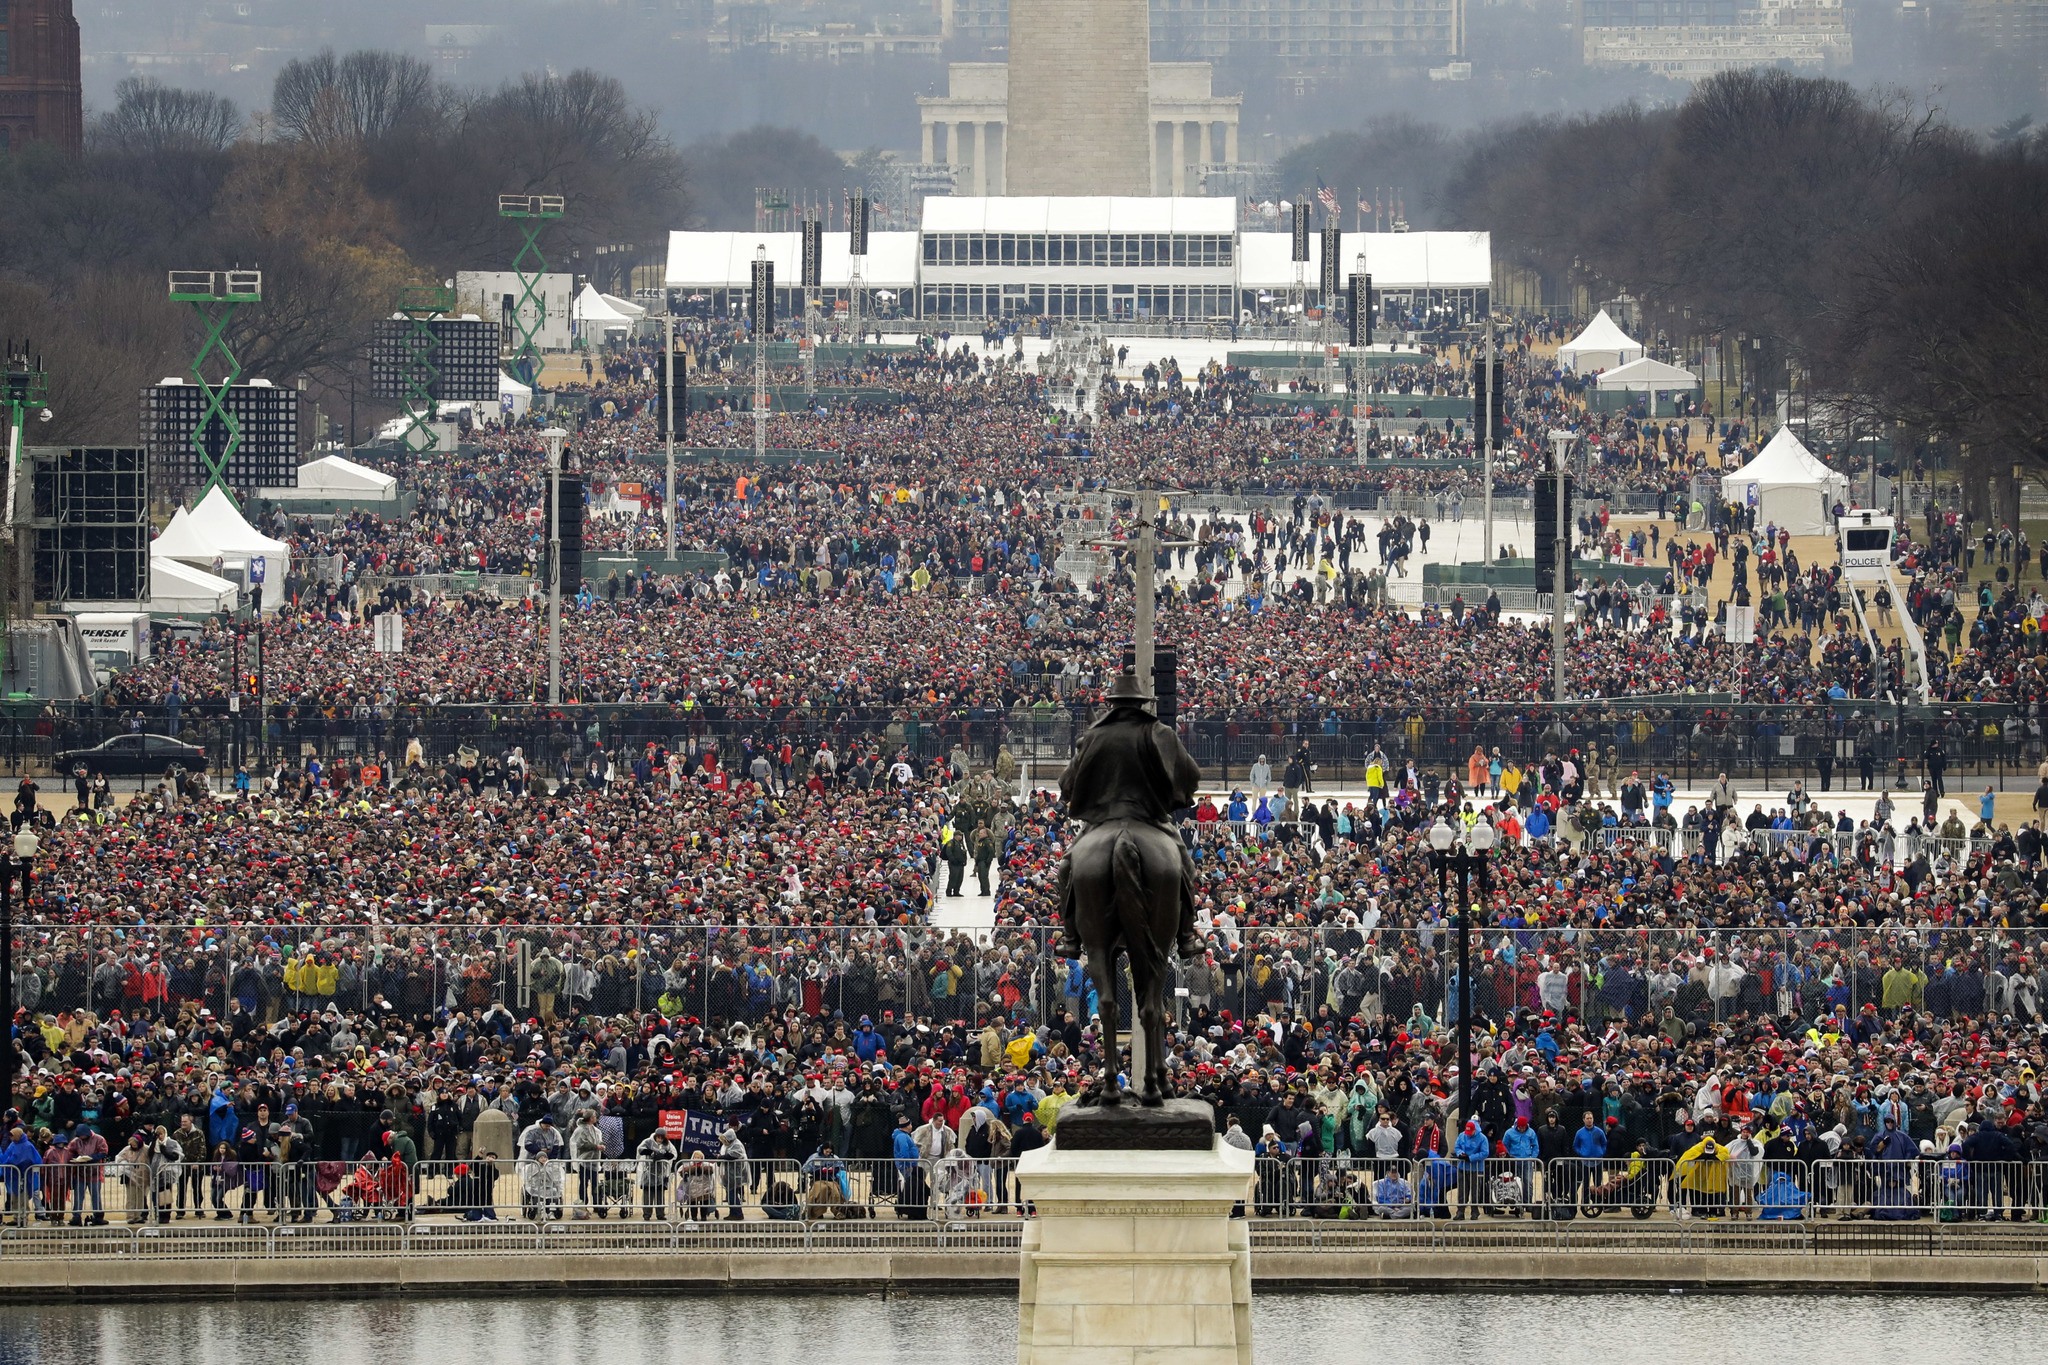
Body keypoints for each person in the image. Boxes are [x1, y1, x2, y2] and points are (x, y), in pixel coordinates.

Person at [1054, 671, 1204, 959]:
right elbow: (1191, 776)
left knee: (1066, 868)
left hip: (1104, 820)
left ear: (1112, 704)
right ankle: (1186, 935)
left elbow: (1066, 783)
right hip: (1150, 818)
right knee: (1185, 865)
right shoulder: (1161, 733)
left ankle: (1071, 937)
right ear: (1141, 704)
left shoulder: (1094, 735)